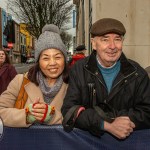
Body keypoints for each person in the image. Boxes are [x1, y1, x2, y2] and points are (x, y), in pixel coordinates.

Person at [61, 18, 150, 139]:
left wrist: (117, 122)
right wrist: (106, 124)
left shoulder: (137, 73)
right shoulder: (79, 69)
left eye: (117, 39)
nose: (112, 46)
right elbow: (69, 110)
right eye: (105, 39)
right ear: (93, 44)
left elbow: (147, 111)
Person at [0, 24, 68, 127]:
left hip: (59, 143)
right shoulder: (20, 81)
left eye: (57, 57)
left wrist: (52, 116)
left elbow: (80, 117)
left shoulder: (74, 84)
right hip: (25, 142)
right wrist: (27, 116)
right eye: (46, 58)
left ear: (65, 59)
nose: (52, 63)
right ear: (38, 61)